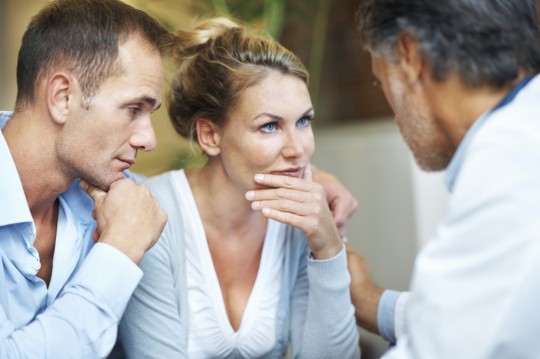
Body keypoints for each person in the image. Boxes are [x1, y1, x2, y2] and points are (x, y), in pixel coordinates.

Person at [118, 17, 360, 359]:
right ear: (210, 135)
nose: (298, 149)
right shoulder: (154, 215)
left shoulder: (303, 215)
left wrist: (327, 247)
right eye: (270, 126)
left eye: (304, 121)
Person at [339, 0, 540, 358]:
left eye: (379, 80)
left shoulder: (509, 167)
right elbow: (483, 308)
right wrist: (370, 300)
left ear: (410, 55)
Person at [0, 0, 176, 357]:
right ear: (63, 97)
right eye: (133, 109)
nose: (149, 139)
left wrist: (303, 179)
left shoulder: (101, 192)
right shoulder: (115, 216)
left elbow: (192, 197)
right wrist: (120, 250)